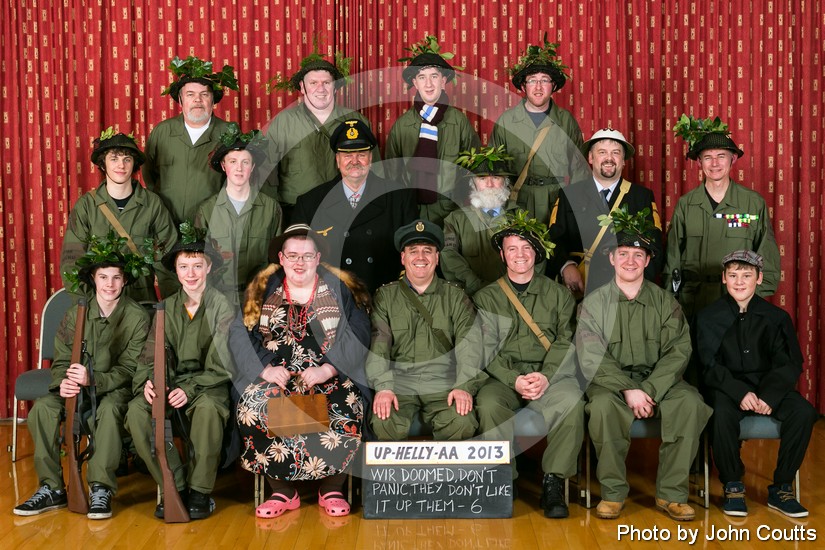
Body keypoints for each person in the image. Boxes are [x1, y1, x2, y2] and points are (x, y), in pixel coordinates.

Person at [231, 224, 371, 519]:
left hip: (328, 374)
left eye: (307, 256)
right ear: (281, 258)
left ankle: (332, 488)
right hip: (277, 375)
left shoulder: (341, 289)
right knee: (254, 407)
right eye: (292, 255)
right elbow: (239, 334)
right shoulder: (260, 290)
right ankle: (282, 491)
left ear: (318, 258)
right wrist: (265, 369)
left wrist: (329, 369)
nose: (299, 262)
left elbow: (358, 332)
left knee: (345, 405)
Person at [577, 226, 711, 521]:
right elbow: (591, 356)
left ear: (648, 261)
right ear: (611, 258)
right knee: (601, 408)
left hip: (659, 382)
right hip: (611, 385)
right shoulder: (594, 304)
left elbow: (678, 351)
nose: (630, 261)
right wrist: (628, 388)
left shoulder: (665, 302)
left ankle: (671, 495)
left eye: (638, 255)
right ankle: (612, 494)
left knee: (690, 403)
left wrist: (648, 390)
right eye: (623, 254)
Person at [14, 240, 151, 519]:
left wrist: (93, 379)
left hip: (115, 389)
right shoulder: (76, 313)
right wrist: (63, 381)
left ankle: (101, 487)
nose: (109, 284)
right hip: (76, 386)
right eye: (103, 277)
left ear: (125, 280)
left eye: (116, 277)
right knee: (43, 408)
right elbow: (61, 360)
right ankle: (52, 487)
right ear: (93, 279)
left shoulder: (137, 317)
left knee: (109, 411)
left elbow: (130, 369)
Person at [472, 213, 583, 518]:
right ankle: (503, 480)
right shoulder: (486, 298)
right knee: (489, 404)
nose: (519, 255)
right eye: (512, 248)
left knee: (572, 402)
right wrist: (514, 380)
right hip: (503, 379)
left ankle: (554, 482)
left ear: (536, 252)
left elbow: (566, 341)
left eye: (526, 248)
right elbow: (484, 349)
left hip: (550, 376)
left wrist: (546, 377)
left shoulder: (559, 295)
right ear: (502, 254)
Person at [697, 250, 817, 518]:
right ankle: (733, 484)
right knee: (720, 413)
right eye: (733, 275)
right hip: (728, 388)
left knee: (803, 412)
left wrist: (768, 396)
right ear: (724, 278)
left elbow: (791, 363)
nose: (739, 282)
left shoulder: (777, 318)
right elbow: (708, 364)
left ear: (759, 278)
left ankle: (782, 487)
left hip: (768, 387)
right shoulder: (707, 317)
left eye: (747, 275)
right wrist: (739, 392)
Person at [126, 226, 235, 520]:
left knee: (209, 410)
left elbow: (222, 364)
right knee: (137, 410)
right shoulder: (165, 308)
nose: (191, 273)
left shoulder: (222, 306)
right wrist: (149, 382)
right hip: (169, 384)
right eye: (184, 266)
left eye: (197, 266)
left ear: (209, 268)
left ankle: (199, 490)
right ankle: (173, 483)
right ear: (175, 271)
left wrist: (189, 389)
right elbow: (150, 354)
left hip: (207, 385)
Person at [366, 220, 486, 440]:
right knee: (384, 421)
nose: (420, 257)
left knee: (462, 421)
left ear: (437, 258)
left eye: (427, 251)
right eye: (413, 251)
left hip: (444, 381)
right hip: (400, 382)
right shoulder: (385, 297)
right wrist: (383, 387)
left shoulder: (455, 296)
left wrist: (463, 386)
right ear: (403, 258)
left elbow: (470, 345)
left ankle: (443, 466)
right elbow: (378, 346)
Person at [665, 115, 780, 319]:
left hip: (738, 303)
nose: (715, 163)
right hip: (693, 304)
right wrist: (672, 303)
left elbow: (767, 257)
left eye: (721, 156)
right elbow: (672, 259)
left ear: (733, 159)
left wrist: (749, 301)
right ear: (699, 162)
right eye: (708, 157)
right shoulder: (685, 204)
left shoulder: (753, 203)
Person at [291, 119, 417, 293]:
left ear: (371, 158)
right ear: (337, 160)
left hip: (385, 296)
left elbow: (414, 254)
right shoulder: (310, 203)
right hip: (330, 298)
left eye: (361, 154)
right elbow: (296, 260)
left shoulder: (399, 198)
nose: (355, 161)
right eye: (347, 155)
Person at [62, 128, 178, 303]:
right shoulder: (86, 206)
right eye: (114, 159)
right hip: (100, 302)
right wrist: (88, 305)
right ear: (103, 164)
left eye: (127, 159)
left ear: (134, 164)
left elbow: (168, 259)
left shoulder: (153, 204)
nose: (121, 165)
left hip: (142, 300)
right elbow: (71, 262)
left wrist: (172, 305)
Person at [262, 49, 379, 219]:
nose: (321, 89)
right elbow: (267, 174)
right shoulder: (282, 122)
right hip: (296, 210)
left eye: (326, 82)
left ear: (335, 86)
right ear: (302, 87)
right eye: (313, 83)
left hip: (347, 210)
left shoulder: (356, 121)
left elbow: (376, 169)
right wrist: (273, 214)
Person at [548, 128, 662, 296]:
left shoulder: (641, 196)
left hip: (623, 293)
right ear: (590, 158)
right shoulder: (569, 195)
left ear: (623, 160)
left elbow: (654, 247)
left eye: (616, 153)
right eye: (602, 152)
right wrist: (565, 266)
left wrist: (636, 289)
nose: (609, 158)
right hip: (579, 287)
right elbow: (553, 239)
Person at [384, 37, 480, 227]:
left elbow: (474, 167)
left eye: (434, 76)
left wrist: (460, 200)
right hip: (411, 208)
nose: (428, 84)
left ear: (443, 81)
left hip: (450, 208)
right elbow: (391, 174)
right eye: (422, 77)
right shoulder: (402, 125)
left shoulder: (459, 121)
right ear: (415, 83)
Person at [491, 35, 586, 224]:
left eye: (545, 80)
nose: (538, 87)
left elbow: (579, 169)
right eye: (532, 80)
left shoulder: (566, 121)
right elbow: (494, 170)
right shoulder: (506, 122)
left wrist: (575, 208)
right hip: (518, 201)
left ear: (553, 85)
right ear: (523, 86)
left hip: (557, 200)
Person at [142, 55, 238, 227]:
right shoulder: (162, 131)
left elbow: (239, 180)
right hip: (166, 224)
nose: (197, 100)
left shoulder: (229, 132)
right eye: (190, 94)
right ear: (180, 100)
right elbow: (149, 175)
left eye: (204, 94)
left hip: (213, 224)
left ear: (213, 100)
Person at [195, 124, 282, 304]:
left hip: (260, 296)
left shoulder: (271, 208)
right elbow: (198, 260)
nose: (239, 168)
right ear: (223, 165)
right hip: (218, 297)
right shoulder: (207, 210)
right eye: (233, 161)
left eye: (245, 162)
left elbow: (279, 258)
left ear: (253, 166)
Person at [441, 145, 525, 296]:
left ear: (505, 182)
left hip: (514, 296)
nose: (489, 184)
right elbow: (448, 255)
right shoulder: (455, 220)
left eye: (496, 177)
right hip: (470, 295)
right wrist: (475, 285)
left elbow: (537, 257)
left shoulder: (521, 217)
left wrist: (518, 287)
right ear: (473, 183)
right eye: (482, 178)